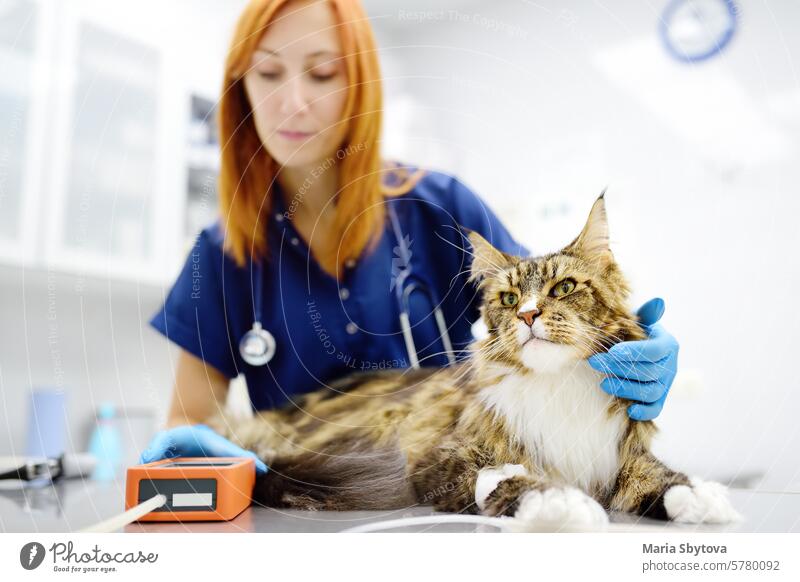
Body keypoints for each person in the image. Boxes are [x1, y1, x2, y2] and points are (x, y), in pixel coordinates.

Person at [140, 0, 679, 474]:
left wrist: (617, 352)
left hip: (449, 502)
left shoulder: (440, 208)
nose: (292, 101)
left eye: (322, 73)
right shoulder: (220, 255)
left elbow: (540, 317)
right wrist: (196, 450)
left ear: (358, 85)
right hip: (297, 509)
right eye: (268, 73)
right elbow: (192, 420)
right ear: (241, 90)